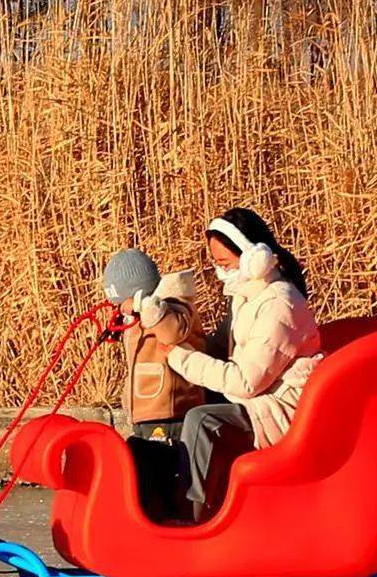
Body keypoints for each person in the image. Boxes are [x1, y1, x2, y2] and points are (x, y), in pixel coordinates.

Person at [167, 208, 320, 521]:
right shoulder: (247, 298)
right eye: (216, 264)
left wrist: (180, 357)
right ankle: (180, 501)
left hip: (280, 410)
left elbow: (246, 382)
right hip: (258, 403)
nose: (221, 273)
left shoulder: (280, 305)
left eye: (225, 264)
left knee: (202, 419)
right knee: (190, 406)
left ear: (255, 257)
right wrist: (171, 331)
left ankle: (191, 518)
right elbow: (216, 348)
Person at [108, 257, 200, 521]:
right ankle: (147, 519)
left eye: (121, 301)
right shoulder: (138, 317)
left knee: (163, 470)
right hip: (145, 413)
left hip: (169, 412)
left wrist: (143, 307)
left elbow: (172, 332)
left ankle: (173, 521)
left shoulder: (173, 308)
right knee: (139, 462)